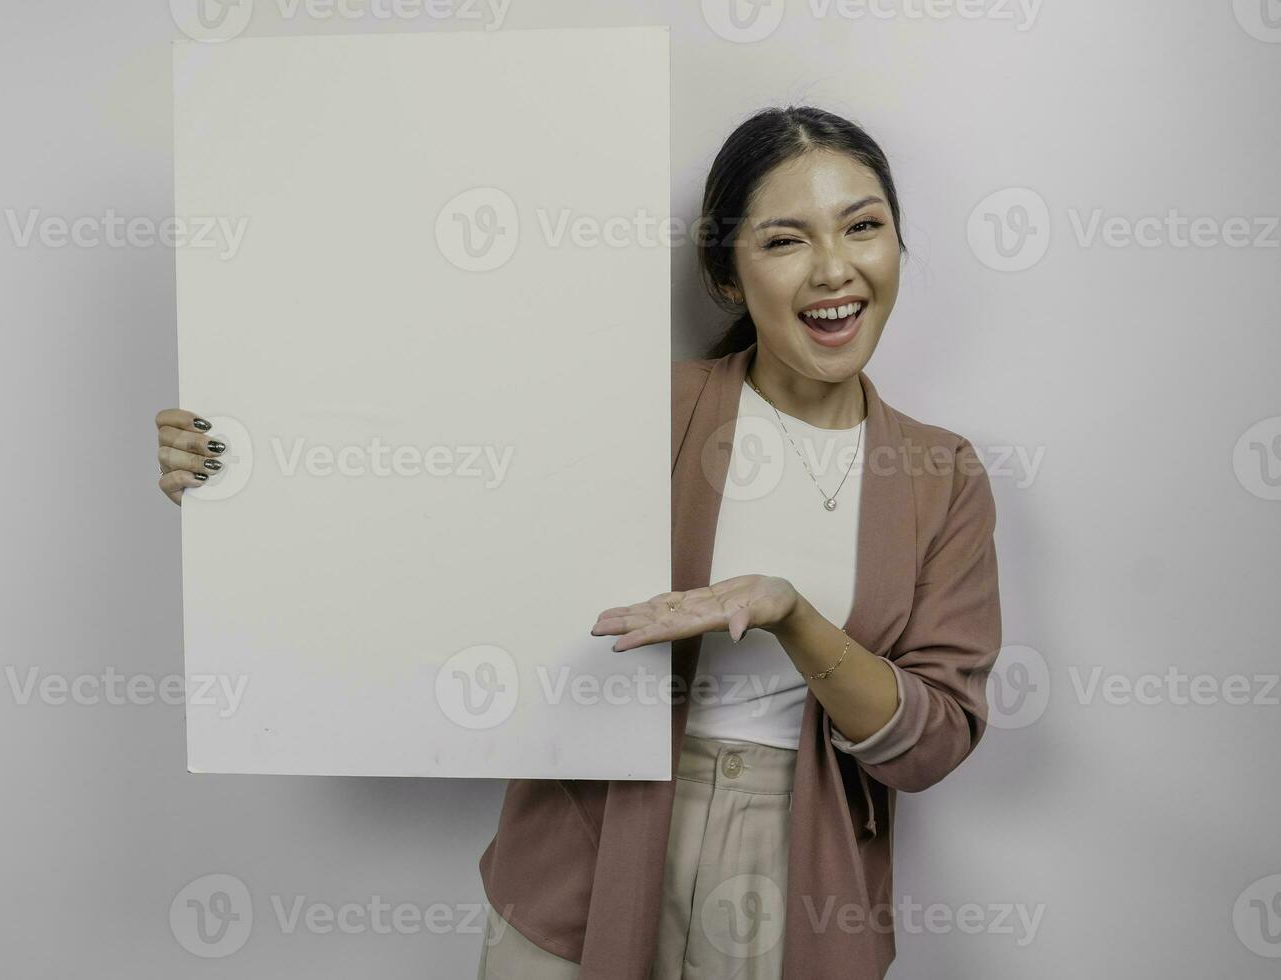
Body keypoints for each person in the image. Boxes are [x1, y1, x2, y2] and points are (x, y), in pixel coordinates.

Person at [153, 105, 1003, 980]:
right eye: (786, 241)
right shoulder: (632, 407)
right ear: (727, 275)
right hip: (588, 847)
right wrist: (238, 475)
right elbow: (424, 507)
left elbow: (934, 742)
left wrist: (790, 614)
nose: (835, 270)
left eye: (863, 227)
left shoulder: (942, 475)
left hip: (802, 872)